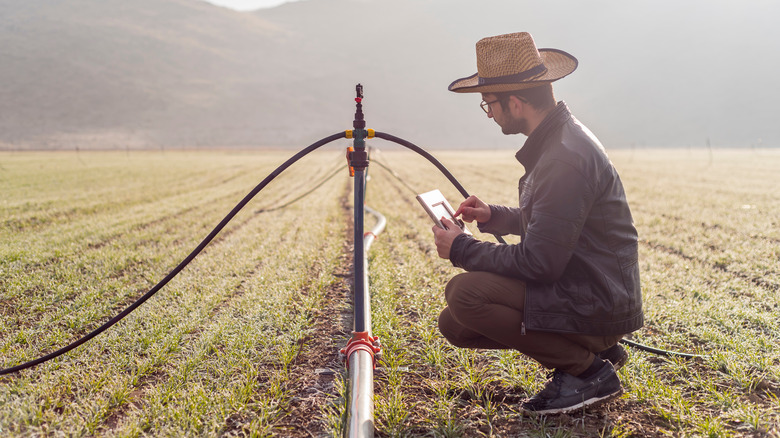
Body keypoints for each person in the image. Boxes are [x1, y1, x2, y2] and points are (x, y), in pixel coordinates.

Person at [431, 32, 643, 415]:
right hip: (590, 289)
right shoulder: (560, 140)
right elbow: (558, 222)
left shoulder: (563, 156)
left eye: (488, 103)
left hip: (595, 299)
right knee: (456, 324)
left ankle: (588, 371)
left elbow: (540, 263)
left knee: (466, 295)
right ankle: (597, 349)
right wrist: (494, 215)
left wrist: (462, 248)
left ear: (515, 102)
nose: (489, 112)